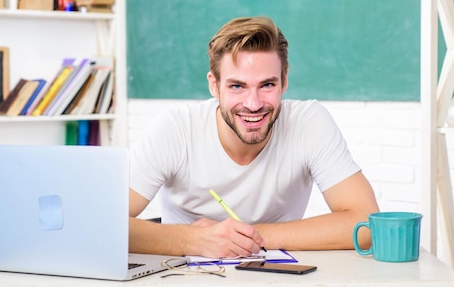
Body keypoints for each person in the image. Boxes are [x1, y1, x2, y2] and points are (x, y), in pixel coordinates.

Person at [129, 16, 379, 258]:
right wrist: (195, 240)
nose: (253, 104)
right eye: (237, 86)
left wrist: (246, 237)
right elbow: (102, 222)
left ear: (284, 81)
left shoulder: (308, 123)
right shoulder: (175, 130)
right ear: (214, 85)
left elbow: (365, 225)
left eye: (267, 85)